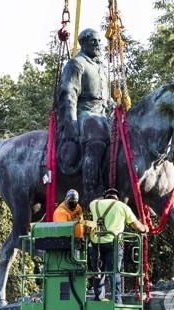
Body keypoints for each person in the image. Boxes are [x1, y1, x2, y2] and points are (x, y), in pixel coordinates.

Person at [56, 28, 112, 205]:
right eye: (93, 41)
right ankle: (90, 190)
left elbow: (106, 97)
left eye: (99, 41)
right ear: (84, 43)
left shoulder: (100, 68)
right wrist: (71, 123)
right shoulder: (77, 64)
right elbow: (68, 94)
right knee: (96, 137)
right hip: (84, 114)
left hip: (102, 114)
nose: (98, 44)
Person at [89, 188, 148, 304]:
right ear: (117, 198)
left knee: (98, 272)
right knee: (114, 273)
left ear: (105, 197)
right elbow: (135, 225)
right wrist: (145, 228)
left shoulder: (94, 204)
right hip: (113, 244)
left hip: (96, 244)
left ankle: (98, 299)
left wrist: (103, 197)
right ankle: (116, 301)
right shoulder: (122, 206)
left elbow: (96, 200)